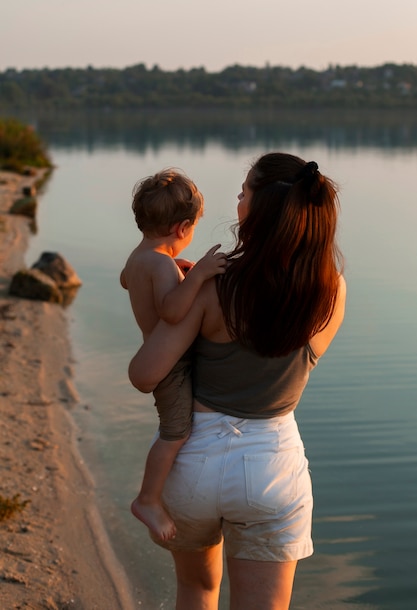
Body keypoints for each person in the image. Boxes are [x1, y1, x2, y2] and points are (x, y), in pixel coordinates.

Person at [128, 153, 346, 610]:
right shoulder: (331, 290)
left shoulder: (214, 287)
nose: (238, 199)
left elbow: (146, 374)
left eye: (244, 192)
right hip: (272, 467)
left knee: (196, 592)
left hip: (194, 463)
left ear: (260, 209)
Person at [120, 168, 226, 542]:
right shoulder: (163, 263)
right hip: (171, 368)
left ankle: (154, 494)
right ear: (182, 228)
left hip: (156, 355)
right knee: (175, 433)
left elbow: (127, 280)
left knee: (172, 429)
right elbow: (171, 310)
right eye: (193, 229)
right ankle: (147, 499)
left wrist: (176, 273)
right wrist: (196, 276)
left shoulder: (139, 258)